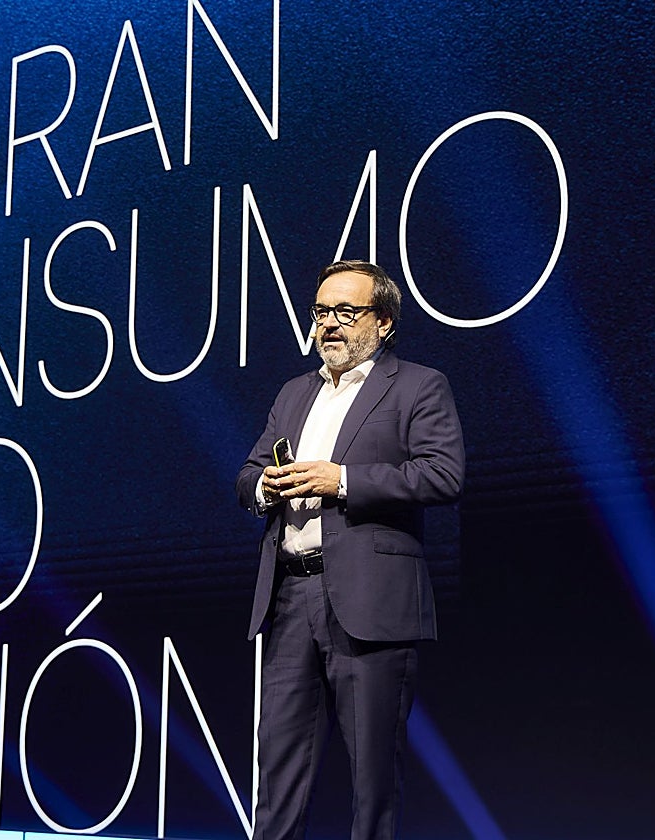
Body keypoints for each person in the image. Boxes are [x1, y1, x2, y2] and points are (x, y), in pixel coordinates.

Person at [235, 260, 465, 840]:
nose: (329, 325)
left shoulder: (417, 384)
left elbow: (442, 475)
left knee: (373, 785)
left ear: (383, 322)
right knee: (276, 778)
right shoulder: (294, 393)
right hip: (289, 598)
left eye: (346, 312)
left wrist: (340, 480)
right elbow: (248, 473)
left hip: (370, 604)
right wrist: (265, 487)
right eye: (320, 313)